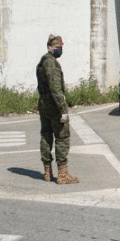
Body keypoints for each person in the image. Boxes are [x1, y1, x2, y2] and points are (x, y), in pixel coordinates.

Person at [37, 35, 79, 184]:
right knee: (62, 137)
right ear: (52, 48)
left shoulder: (42, 62)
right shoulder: (51, 64)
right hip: (54, 106)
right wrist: (63, 109)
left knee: (46, 136)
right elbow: (55, 89)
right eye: (59, 48)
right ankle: (62, 174)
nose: (61, 50)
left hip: (44, 105)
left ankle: (47, 172)